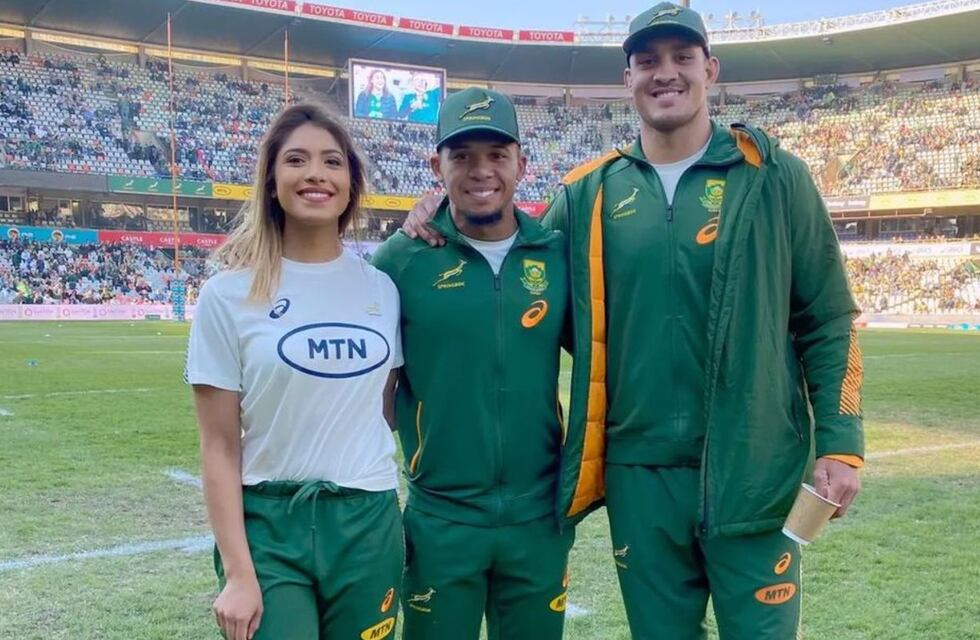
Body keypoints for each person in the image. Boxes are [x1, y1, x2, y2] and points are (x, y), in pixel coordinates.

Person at [402, 4, 865, 639]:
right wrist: (436, 213)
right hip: (638, 474)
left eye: (681, 58)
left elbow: (830, 317)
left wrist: (841, 443)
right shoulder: (587, 193)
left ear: (711, 68)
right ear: (628, 77)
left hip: (753, 464)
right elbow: (516, 261)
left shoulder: (774, 176)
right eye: (647, 60)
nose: (664, 73)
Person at [185, 104, 404, 640]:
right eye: (296, 160)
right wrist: (238, 573)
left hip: (367, 520)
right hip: (271, 525)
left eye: (332, 161)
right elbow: (218, 445)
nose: (315, 174)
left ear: (351, 182)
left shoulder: (382, 289)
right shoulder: (227, 294)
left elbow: (386, 408)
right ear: (271, 179)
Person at [371, 88, 577, 640]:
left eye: (496, 154)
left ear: (521, 163)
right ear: (436, 165)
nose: (480, 171)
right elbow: (370, 390)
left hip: (539, 518)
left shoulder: (558, 253)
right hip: (441, 519)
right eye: (461, 156)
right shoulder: (399, 260)